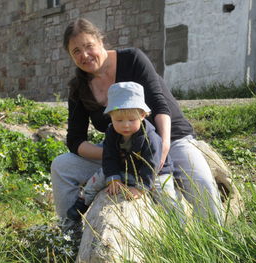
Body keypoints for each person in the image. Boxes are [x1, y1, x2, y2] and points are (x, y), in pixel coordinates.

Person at [51, 17, 222, 228]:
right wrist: (114, 154)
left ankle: (216, 239)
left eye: (88, 46)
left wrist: (164, 145)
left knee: (201, 183)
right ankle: (70, 234)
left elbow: (160, 104)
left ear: (101, 41)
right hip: (120, 147)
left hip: (171, 139)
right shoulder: (79, 87)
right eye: (76, 51)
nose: (84, 55)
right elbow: (75, 141)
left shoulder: (132, 59)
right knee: (62, 165)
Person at [66, 81, 177, 221]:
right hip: (125, 167)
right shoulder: (112, 131)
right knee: (98, 177)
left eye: (131, 119)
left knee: (166, 194)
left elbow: (151, 164)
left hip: (154, 173)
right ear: (111, 116)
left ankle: (177, 221)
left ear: (142, 115)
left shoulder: (151, 138)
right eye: (118, 120)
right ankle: (83, 202)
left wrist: (141, 188)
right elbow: (109, 155)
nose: (125, 125)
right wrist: (113, 177)